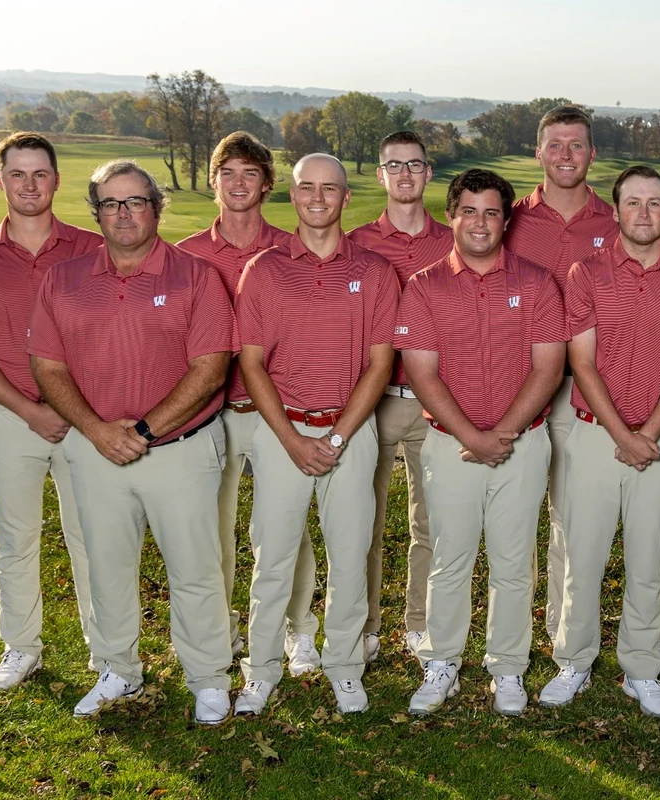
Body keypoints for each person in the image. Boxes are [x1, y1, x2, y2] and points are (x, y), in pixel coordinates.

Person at [27, 160, 236, 724]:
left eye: (135, 202)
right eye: (110, 204)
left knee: (194, 569)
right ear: (95, 212)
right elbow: (47, 366)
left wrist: (142, 432)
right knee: (106, 567)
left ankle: (209, 677)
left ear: (156, 207)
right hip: (95, 451)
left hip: (181, 450)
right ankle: (117, 668)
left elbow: (210, 369)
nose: (123, 214)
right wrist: (98, 432)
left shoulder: (196, 276)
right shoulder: (63, 279)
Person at [395, 169, 567, 716]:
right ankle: (442, 659)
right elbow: (422, 373)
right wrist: (473, 436)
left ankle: (507, 667)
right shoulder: (424, 286)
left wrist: (503, 434)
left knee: (514, 560)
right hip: (451, 444)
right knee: (450, 557)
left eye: (492, 212)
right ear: (451, 215)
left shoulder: (538, 282)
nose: (480, 222)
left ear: (506, 219)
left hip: (524, 441)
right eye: (469, 210)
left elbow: (548, 368)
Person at [233, 154, 399, 716]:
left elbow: (380, 364)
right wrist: (293, 440)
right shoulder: (265, 268)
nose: (318, 198)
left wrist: (336, 439)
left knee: (350, 555)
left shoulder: (375, 271)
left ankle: (345, 666)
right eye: (307, 188)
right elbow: (252, 363)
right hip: (282, 430)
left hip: (350, 432)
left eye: (330, 189)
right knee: (273, 556)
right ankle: (260, 671)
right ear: (293, 196)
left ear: (348, 197)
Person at [541, 166, 660, 718]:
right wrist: (622, 435)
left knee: (648, 559)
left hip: (659, 442)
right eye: (632, 203)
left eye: (654, 204)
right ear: (614, 211)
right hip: (594, 436)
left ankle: (640, 667)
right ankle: (575, 659)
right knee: (582, 554)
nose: (643, 213)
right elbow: (581, 362)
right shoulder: (585, 273)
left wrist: (649, 435)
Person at [0, 131, 100, 690]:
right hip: (10, 418)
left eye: (39, 174)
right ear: (0, 179)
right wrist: (30, 412)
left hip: (84, 419)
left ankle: (105, 652)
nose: (29, 184)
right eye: (17, 174)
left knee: (93, 537)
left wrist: (75, 410)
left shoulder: (90, 249)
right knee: (17, 539)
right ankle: (21, 648)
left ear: (56, 179)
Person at [176, 131, 321, 673]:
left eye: (251, 174)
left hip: (277, 411)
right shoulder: (185, 254)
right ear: (214, 180)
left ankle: (299, 628)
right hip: (208, 414)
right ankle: (223, 631)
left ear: (266, 184)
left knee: (285, 527)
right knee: (211, 528)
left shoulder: (292, 249)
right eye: (228, 173)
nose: (239, 184)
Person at [502, 105, 619, 641]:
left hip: (583, 388)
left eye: (576, 145)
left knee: (574, 521)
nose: (566, 155)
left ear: (592, 154)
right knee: (514, 522)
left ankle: (564, 636)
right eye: (555, 144)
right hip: (514, 386)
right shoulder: (511, 219)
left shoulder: (614, 222)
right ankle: (510, 639)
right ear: (538, 152)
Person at [348, 130, 454, 661]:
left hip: (437, 402)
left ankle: (420, 623)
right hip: (375, 399)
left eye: (415, 164)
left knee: (429, 521)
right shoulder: (357, 243)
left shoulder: (454, 241)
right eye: (395, 165)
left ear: (428, 172)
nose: (405, 174)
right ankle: (366, 625)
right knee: (362, 517)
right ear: (381, 175)